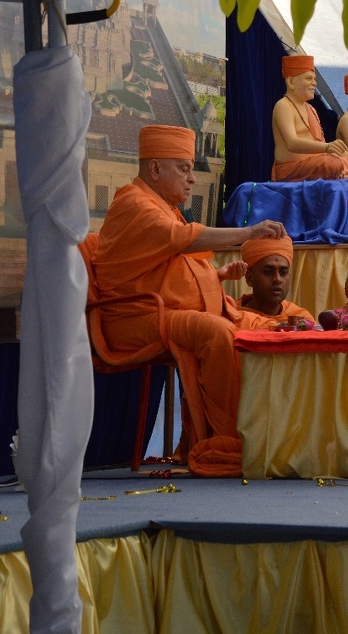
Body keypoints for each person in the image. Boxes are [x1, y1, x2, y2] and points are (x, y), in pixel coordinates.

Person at [93, 124, 286, 477]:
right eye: (184, 168)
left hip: (167, 310)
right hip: (135, 319)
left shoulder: (162, 207)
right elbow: (184, 239)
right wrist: (248, 232)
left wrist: (216, 277)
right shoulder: (134, 204)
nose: (192, 179)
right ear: (155, 169)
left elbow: (164, 270)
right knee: (217, 332)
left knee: (269, 327)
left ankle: (271, 432)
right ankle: (224, 441)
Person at [271, 55, 348, 183]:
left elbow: (328, 150)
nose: (314, 83)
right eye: (308, 78)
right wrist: (328, 148)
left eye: (314, 79)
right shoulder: (283, 105)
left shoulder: (311, 109)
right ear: (291, 82)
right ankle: (342, 168)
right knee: (331, 164)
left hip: (318, 163)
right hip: (291, 170)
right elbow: (292, 143)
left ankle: (342, 168)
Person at [236, 235, 316, 326]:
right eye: (268, 272)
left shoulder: (300, 319)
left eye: (283, 272)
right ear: (249, 278)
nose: (277, 279)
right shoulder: (233, 317)